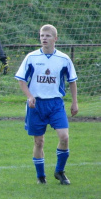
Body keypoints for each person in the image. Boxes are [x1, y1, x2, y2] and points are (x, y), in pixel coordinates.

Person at [15, 24, 78, 185]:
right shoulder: (32, 57)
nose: (44, 38)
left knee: (64, 137)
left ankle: (60, 171)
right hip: (37, 105)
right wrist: (29, 96)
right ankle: (41, 176)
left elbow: (72, 81)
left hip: (56, 104)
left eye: (48, 35)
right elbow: (21, 79)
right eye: (42, 35)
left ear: (55, 38)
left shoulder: (63, 59)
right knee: (39, 141)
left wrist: (74, 102)